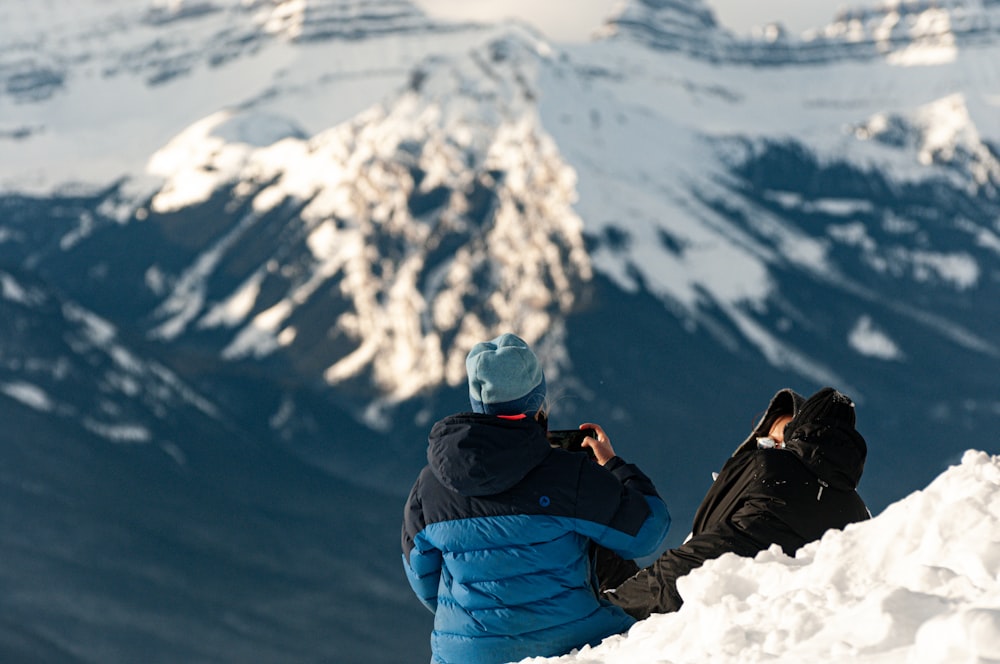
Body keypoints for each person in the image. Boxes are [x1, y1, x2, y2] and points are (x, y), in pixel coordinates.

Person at [401, 333, 671, 664]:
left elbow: (425, 582)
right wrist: (613, 466)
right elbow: (648, 532)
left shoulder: (429, 486)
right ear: (538, 403)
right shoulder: (568, 474)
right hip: (574, 643)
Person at [604, 386, 870, 619]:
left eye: (784, 443)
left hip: (681, 589)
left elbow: (695, 547)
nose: (776, 451)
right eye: (768, 442)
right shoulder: (857, 515)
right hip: (676, 587)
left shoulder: (760, 471)